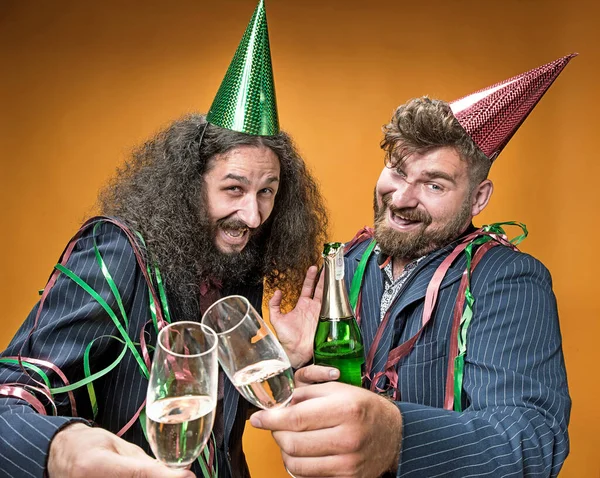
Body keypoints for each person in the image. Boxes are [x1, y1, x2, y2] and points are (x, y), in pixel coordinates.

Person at [0, 2, 327, 477]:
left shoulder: (236, 266)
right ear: (189, 186)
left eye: (267, 193)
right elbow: (12, 393)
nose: (252, 216)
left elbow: (206, 409)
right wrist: (60, 448)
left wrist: (288, 364)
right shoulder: (114, 251)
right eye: (233, 189)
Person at [250, 54, 575, 477]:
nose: (402, 198)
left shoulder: (508, 279)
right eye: (398, 171)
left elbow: (532, 440)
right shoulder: (345, 264)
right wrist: (296, 361)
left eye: (434, 183)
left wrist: (397, 437)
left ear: (478, 198)